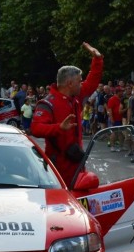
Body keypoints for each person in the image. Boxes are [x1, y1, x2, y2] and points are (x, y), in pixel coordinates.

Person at [31, 42, 103, 187]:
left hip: (76, 161)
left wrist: (98, 59)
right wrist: (59, 128)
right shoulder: (47, 103)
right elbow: (36, 128)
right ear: (70, 83)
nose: (82, 84)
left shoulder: (76, 96)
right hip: (58, 166)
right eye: (79, 81)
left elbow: (93, 81)